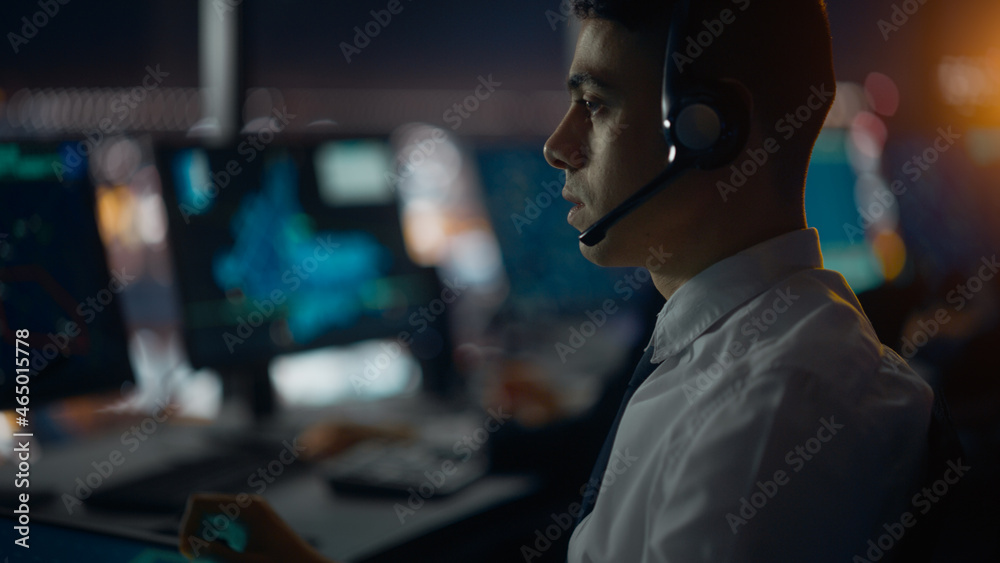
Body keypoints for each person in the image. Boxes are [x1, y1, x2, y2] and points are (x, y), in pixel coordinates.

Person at [179, 1, 935, 561]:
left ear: (710, 131)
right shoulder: (744, 350)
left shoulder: (767, 410)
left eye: (596, 106)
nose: (556, 145)